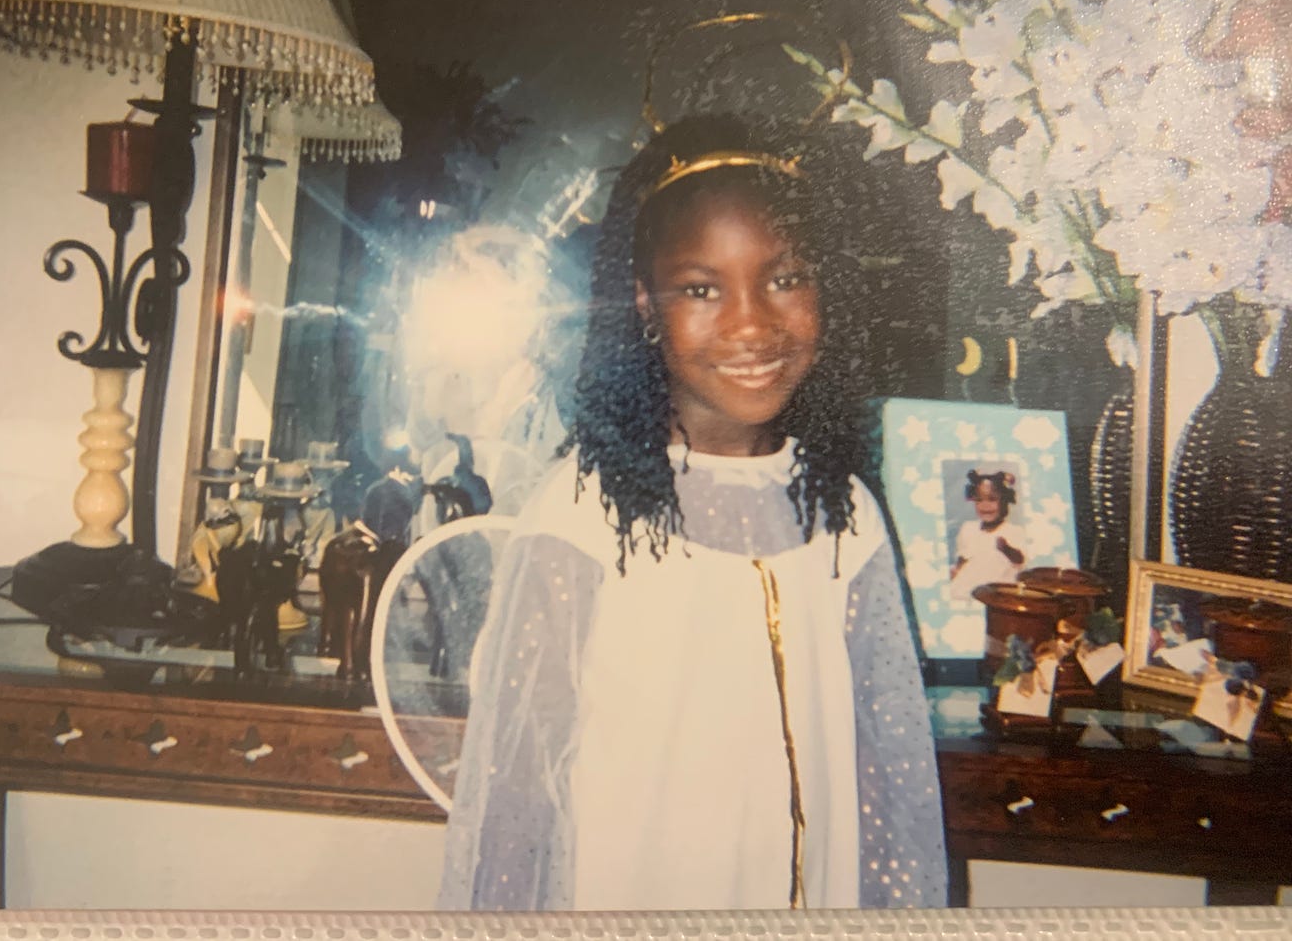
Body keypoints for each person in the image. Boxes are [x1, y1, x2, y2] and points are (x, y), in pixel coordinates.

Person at [437, 114, 946, 911]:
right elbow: (519, 804)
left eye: (784, 278)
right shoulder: (580, 516)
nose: (751, 323)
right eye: (701, 289)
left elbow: (886, 773)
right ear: (644, 302)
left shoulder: (845, 514)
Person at [949, 469, 1026, 601]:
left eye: (992, 499)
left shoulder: (1013, 531)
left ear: (1005, 500)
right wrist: (955, 572)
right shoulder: (968, 529)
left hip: (997, 593)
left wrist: (1006, 548)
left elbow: (1019, 560)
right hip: (967, 589)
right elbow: (962, 560)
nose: (985, 505)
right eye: (979, 500)